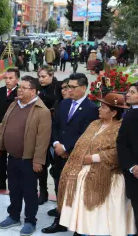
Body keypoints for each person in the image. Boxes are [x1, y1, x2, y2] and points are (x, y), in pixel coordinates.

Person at [58, 93, 136, 236]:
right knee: (87, 218)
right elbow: (80, 144)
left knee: (102, 220)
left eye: (104, 107)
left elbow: (120, 152)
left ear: (113, 112)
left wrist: (95, 157)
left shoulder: (120, 127)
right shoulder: (94, 124)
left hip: (108, 178)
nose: (99, 109)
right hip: (85, 173)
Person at [0, 75, 51, 236]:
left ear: (33, 91)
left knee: (29, 191)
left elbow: (43, 139)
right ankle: (13, 215)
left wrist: (38, 160)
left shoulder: (42, 111)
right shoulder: (14, 105)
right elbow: (3, 126)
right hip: (12, 157)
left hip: (30, 160)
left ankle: (30, 220)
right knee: (14, 188)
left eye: (23, 88)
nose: (19, 90)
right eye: (19, 87)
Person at [42, 73, 99, 234]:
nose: (69, 90)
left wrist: (67, 148)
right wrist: (56, 144)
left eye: (73, 87)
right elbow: (56, 126)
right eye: (68, 87)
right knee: (60, 186)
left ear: (83, 88)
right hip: (59, 155)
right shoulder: (64, 104)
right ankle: (60, 220)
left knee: (76, 190)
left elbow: (86, 134)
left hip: (76, 157)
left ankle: (77, 225)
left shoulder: (92, 109)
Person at [0, 68, 19, 191]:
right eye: (6, 78)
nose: (7, 81)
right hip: (0, 131)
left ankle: (15, 184)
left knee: (14, 160)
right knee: (0, 157)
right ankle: (1, 181)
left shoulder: (20, 93)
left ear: (17, 79)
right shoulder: (0, 91)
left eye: (11, 78)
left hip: (14, 132)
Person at [37, 66, 62, 205]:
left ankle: (59, 195)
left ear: (51, 75)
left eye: (44, 76)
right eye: (39, 76)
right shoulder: (37, 87)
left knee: (56, 165)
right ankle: (43, 191)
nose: (41, 79)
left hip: (54, 131)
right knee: (41, 163)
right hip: (41, 130)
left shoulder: (58, 87)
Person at [117, 83, 138, 231]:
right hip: (134, 172)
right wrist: (132, 166)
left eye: (132, 92)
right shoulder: (129, 114)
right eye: (127, 91)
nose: (128, 94)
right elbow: (122, 144)